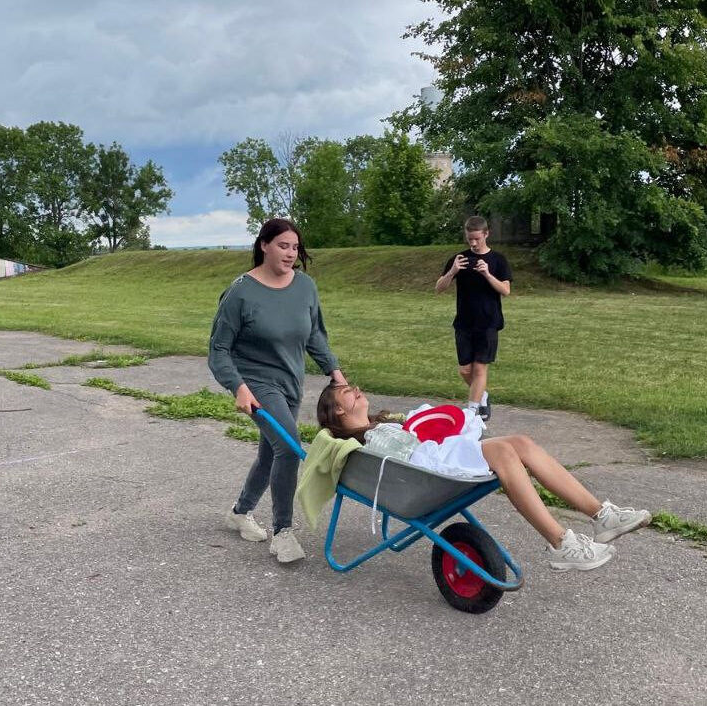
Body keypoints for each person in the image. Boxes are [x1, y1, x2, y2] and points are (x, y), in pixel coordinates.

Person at [316, 383, 652, 571]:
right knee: (504, 452)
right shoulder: (358, 440)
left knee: (521, 442)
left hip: (434, 463)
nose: (356, 388)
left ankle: (602, 516)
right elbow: (404, 452)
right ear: (338, 410)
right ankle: (560, 543)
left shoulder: (384, 421)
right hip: (427, 468)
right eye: (347, 391)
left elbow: (421, 427)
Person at [209, 218, 346, 563]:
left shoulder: (305, 286)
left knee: (271, 452)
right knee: (288, 447)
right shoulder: (241, 292)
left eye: (295, 247)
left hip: (290, 382)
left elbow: (314, 334)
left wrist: (334, 371)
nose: (290, 253)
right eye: (283, 246)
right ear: (264, 245)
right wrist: (238, 387)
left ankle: (240, 512)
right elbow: (219, 349)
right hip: (255, 383)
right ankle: (283, 532)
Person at [435, 216, 512, 422]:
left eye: (477, 238)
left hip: (488, 322)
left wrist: (487, 274)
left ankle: (471, 413)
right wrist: (452, 271)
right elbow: (439, 288)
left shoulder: (498, 260)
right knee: (464, 370)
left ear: (486, 234)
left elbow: (506, 290)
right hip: (464, 322)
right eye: (470, 239)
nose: (473, 243)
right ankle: (482, 396)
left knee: (479, 369)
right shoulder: (459, 259)